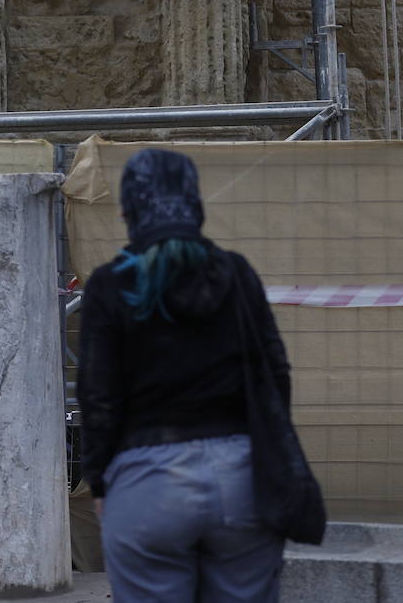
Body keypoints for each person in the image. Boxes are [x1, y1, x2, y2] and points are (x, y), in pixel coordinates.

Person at [77, 147, 289, 603]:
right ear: (195, 205)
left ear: (127, 210)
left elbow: (97, 396)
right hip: (241, 479)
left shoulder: (110, 285)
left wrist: (99, 483)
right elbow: (276, 373)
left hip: (146, 483)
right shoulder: (237, 274)